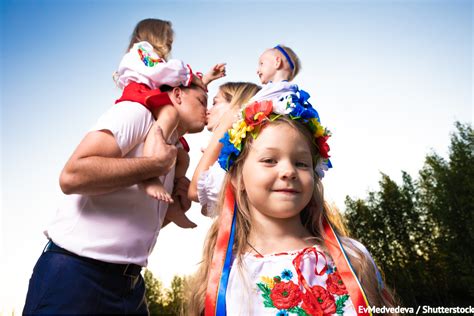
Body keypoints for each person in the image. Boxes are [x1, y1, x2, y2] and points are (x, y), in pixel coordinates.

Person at [22, 65, 208, 315]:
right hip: (76, 275)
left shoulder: (175, 151)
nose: (207, 110)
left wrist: (171, 213)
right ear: (177, 94)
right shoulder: (136, 114)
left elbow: (132, 222)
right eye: (202, 100)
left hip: (130, 285)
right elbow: (72, 176)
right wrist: (154, 165)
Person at [187, 97, 396, 315]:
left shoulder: (353, 257)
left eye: (301, 163)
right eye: (269, 160)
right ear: (238, 179)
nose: (289, 171)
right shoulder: (226, 277)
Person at [113, 18, 225, 227]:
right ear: (156, 35)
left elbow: (181, 84)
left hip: (154, 96)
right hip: (143, 96)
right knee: (170, 115)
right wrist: (192, 75)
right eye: (168, 39)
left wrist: (204, 80)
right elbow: (163, 74)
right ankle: (149, 176)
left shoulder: (152, 58)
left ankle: (172, 203)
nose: (170, 44)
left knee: (183, 157)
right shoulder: (140, 51)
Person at [188, 82, 261, 216]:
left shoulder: (246, 149)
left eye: (215, 103)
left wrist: (223, 127)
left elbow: (195, 192)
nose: (208, 111)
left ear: (236, 104)